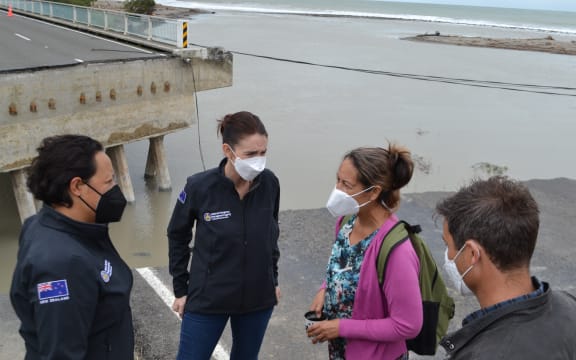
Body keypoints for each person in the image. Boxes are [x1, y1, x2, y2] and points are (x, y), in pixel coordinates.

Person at [168, 111, 281, 360]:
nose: (259, 161)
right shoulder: (199, 187)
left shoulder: (270, 183)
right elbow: (177, 235)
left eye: (263, 152)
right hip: (208, 298)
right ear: (228, 151)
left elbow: (271, 235)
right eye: (251, 154)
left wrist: (273, 280)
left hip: (257, 299)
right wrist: (181, 289)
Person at [10, 134, 134, 360]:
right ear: (77, 186)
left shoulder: (41, 224)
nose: (116, 189)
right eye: (109, 182)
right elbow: (62, 354)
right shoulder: (62, 265)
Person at [436, 176, 576, 359]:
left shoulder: (483, 353)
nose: (448, 256)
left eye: (448, 245)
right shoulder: (568, 305)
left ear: (472, 254)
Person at [308, 145, 423, 360]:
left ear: (374, 191)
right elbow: (343, 267)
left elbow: (408, 325)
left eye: (346, 185)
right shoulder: (346, 222)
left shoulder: (396, 251)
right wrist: (325, 289)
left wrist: (342, 328)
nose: (337, 190)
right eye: (338, 180)